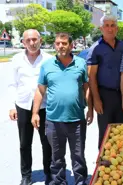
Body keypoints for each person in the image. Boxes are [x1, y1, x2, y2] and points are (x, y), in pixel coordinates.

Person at [32, 32, 93, 185]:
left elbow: (87, 88)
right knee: (56, 157)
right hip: (53, 120)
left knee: (78, 156)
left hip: (77, 119)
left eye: (64, 43)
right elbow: (40, 91)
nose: (61, 46)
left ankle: (81, 181)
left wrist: (90, 109)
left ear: (71, 45)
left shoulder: (80, 63)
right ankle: (59, 182)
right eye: (58, 43)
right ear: (55, 45)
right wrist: (35, 113)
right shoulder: (47, 66)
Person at [8, 29, 52, 185]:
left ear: (40, 40)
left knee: (47, 143)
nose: (32, 43)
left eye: (35, 39)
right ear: (23, 42)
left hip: (45, 107)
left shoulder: (49, 59)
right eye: (29, 40)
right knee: (24, 144)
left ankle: (49, 172)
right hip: (23, 106)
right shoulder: (16, 59)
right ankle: (26, 175)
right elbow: (12, 84)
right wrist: (11, 106)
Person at [87, 15, 123, 149]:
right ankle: (103, 166)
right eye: (106, 25)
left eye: (113, 25)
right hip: (104, 95)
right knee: (105, 133)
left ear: (117, 28)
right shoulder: (96, 49)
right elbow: (91, 77)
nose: (110, 29)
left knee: (121, 132)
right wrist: (96, 100)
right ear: (101, 28)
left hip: (122, 95)